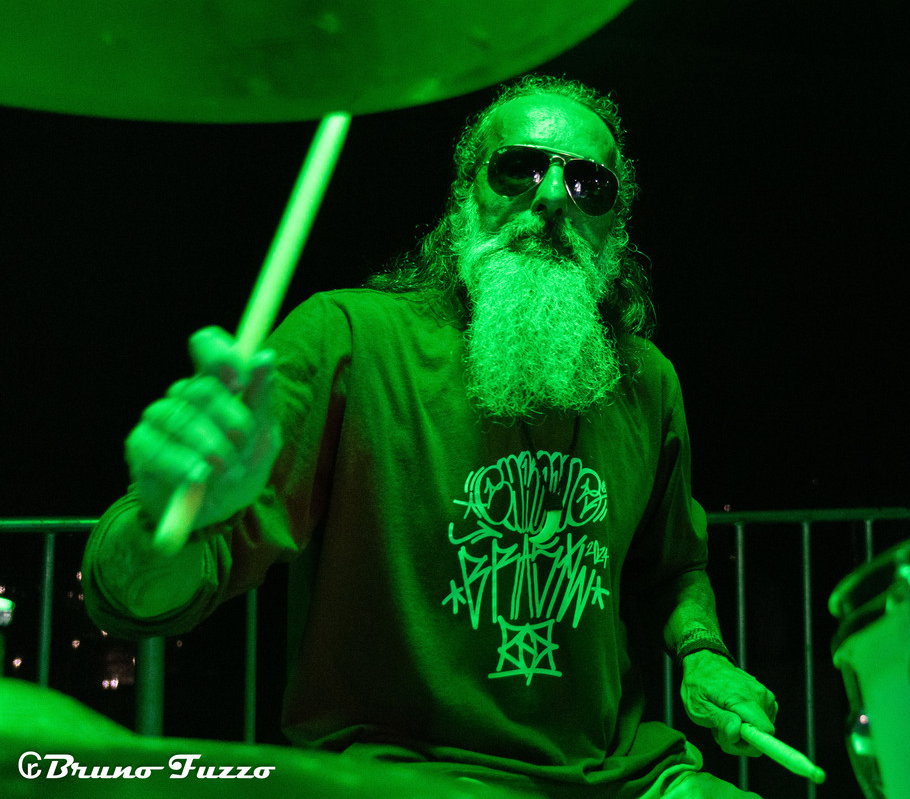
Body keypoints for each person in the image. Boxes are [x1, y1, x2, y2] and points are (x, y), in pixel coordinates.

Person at [82, 74, 779, 798]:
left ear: (616, 227)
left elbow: (674, 569)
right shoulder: (349, 339)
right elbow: (137, 598)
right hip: (406, 775)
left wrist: (703, 655)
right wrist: (166, 518)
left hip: (620, 777)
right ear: (465, 194)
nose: (550, 197)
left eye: (588, 185)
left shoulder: (647, 381)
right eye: (519, 167)